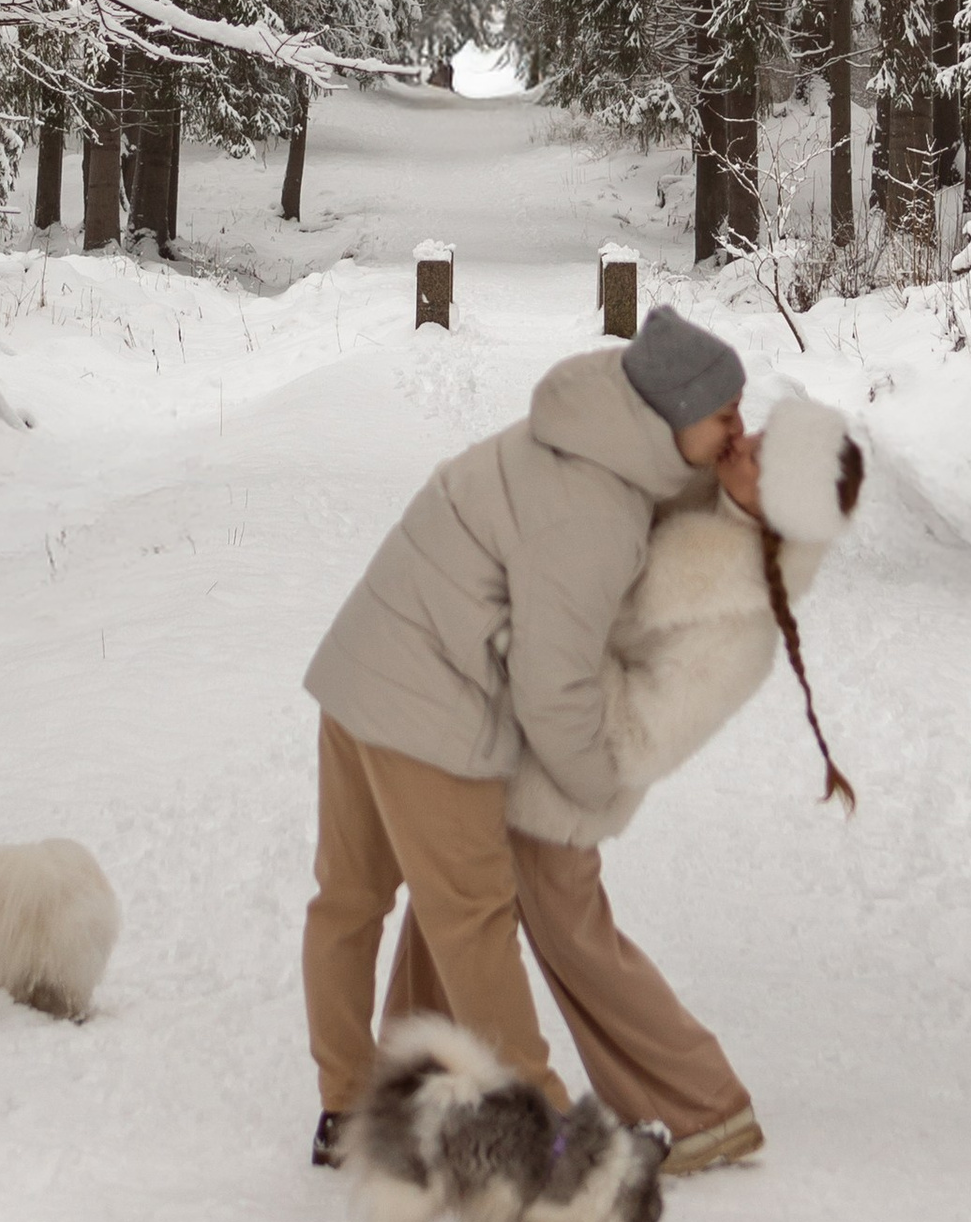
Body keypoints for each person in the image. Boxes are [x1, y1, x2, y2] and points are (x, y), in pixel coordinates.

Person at [300, 302, 750, 1167]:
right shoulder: (594, 513)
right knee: (474, 919)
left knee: (348, 902)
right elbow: (556, 688)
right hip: (431, 709)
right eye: (726, 415)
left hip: (359, 676)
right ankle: (549, 1138)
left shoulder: (579, 437)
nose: (739, 431)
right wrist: (595, 786)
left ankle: (348, 1112)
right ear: (675, 415)